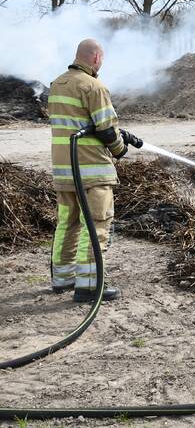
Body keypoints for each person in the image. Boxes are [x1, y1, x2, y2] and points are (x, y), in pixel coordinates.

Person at [48, 38, 143, 302]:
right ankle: (89, 286)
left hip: (64, 170)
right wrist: (120, 149)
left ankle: (62, 278)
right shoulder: (94, 86)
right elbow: (106, 129)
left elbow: (80, 124)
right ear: (96, 58)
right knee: (96, 225)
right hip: (92, 172)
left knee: (67, 224)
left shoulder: (57, 85)